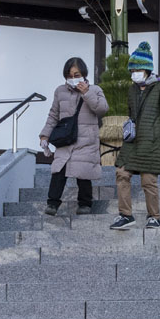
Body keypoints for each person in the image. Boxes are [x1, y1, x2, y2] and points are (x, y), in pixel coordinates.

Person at [111, 41, 160, 230]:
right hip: (133, 142)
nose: (134, 73)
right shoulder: (131, 90)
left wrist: (159, 137)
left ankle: (154, 216)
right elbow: (131, 113)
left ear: (147, 69)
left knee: (148, 180)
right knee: (121, 172)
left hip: (152, 142)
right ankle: (125, 214)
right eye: (132, 70)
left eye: (137, 69)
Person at [39, 57, 108, 216]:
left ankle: (85, 204)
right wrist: (44, 136)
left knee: (83, 172)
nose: (72, 79)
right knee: (59, 171)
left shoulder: (95, 89)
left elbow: (102, 109)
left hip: (86, 140)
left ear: (83, 74)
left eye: (76, 75)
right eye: (69, 76)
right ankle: (52, 203)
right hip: (65, 139)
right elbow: (53, 115)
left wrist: (86, 93)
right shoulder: (60, 91)